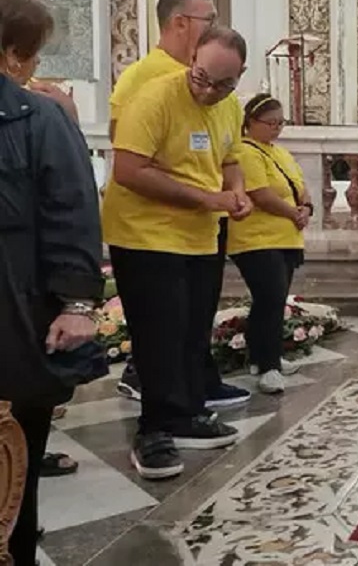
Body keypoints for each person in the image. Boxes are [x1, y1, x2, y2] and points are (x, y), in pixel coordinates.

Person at [102, 26, 254, 479]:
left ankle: (185, 412)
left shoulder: (228, 106)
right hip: (143, 235)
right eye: (201, 77)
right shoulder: (153, 98)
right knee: (158, 335)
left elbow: (229, 160)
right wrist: (207, 199)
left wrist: (238, 191)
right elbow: (129, 170)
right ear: (192, 59)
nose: (208, 91)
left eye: (223, 84)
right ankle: (153, 431)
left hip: (198, 237)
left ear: (239, 77)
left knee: (191, 331)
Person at [0, 0, 103, 566]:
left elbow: (70, 212)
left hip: (13, 315)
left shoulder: (36, 118)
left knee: (15, 464)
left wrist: (76, 303)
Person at [227, 94, 312, 393]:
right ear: (250, 122)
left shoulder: (280, 153)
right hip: (256, 239)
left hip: (286, 237)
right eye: (270, 123)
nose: (276, 129)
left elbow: (300, 187)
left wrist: (306, 208)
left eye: (281, 123)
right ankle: (267, 367)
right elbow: (261, 194)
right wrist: (293, 213)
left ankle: (266, 355)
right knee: (269, 298)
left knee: (275, 300)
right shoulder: (244, 152)